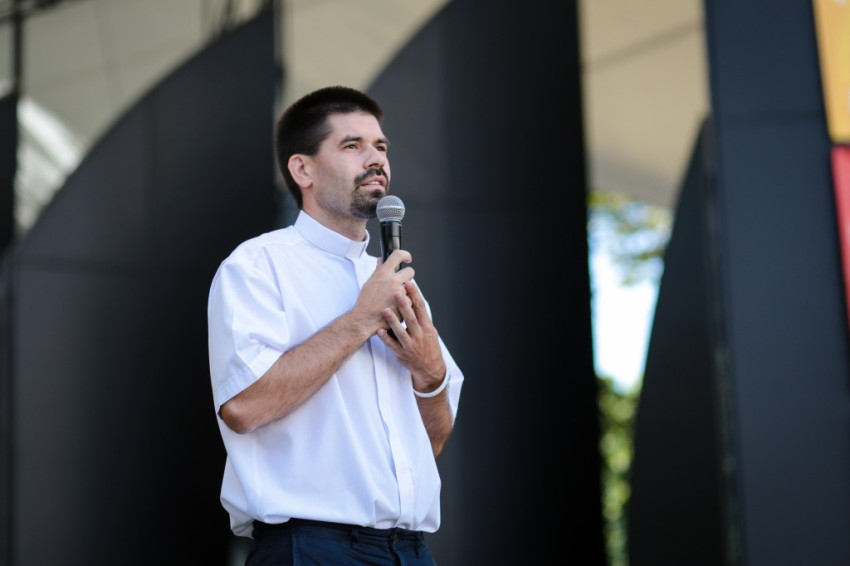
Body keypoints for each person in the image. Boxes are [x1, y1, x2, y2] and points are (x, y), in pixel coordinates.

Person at [207, 85, 464, 566]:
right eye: (352, 145)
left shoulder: (392, 281)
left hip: (411, 551)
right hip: (312, 547)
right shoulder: (258, 266)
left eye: (381, 146)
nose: (376, 158)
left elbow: (430, 442)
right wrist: (359, 321)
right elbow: (244, 405)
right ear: (302, 169)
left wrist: (431, 376)